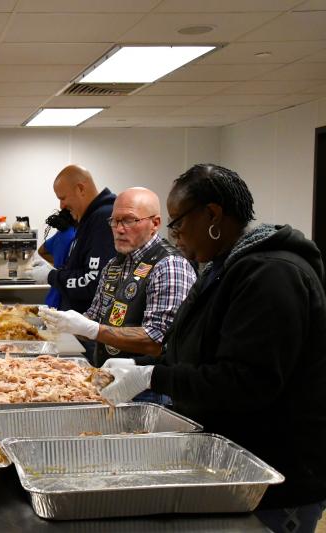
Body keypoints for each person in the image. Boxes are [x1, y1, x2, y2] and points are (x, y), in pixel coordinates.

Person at [101, 164, 326, 531]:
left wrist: (154, 376)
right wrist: (138, 366)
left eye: (177, 222)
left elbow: (245, 382)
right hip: (229, 460)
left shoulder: (272, 275)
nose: (174, 236)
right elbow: (191, 347)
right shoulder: (223, 268)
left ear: (213, 215)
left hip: (275, 475)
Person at [40, 188, 196, 369]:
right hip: (109, 375)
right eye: (115, 221)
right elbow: (94, 319)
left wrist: (92, 329)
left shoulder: (169, 265)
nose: (119, 229)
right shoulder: (114, 264)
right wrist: (66, 323)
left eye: (129, 220)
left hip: (148, 389)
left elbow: (157, 340)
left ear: (155, 223)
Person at [34, 164, 116, 314]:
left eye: (63, 198)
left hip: (87, 327)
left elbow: (92, 281)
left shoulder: (102, 218)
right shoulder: (87, 220)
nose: (62, 206)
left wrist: (51, 276)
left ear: (80, 189)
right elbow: (82, 269)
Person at [37, 208, 76, 309]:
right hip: (66, 291)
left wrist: (57, 265)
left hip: (54, 293)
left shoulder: (62, 233)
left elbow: (41, 251)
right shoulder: (76, 235)